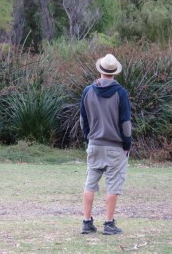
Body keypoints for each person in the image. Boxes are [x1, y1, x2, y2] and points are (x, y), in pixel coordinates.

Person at [79, 53, 132, 235]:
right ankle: (109, 224)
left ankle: (86, 222)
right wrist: (127, 145)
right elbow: (125, 124)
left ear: (100, 70)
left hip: (94, 144)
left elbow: (82, 120)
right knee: (113, 185)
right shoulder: (121, 93)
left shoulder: (88, 91)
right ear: (114, 72)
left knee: (90, 184)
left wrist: (89, 138)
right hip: (115, 147)